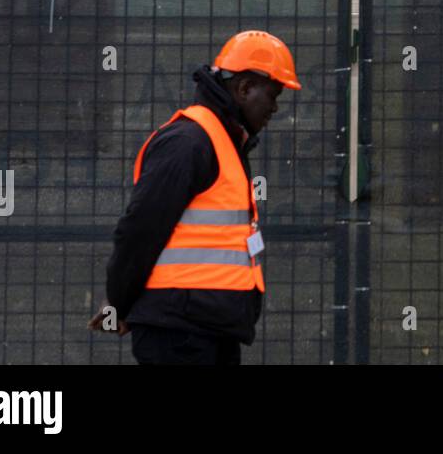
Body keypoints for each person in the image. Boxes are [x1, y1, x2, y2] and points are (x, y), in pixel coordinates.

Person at [88, 30, 301, 364]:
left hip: (203, 328)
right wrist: (118, 302)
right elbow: (140, 229)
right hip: (181, 331)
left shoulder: (220, 141)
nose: (275, 107)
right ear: (244, 88)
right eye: (272, 95)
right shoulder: (190, 141)